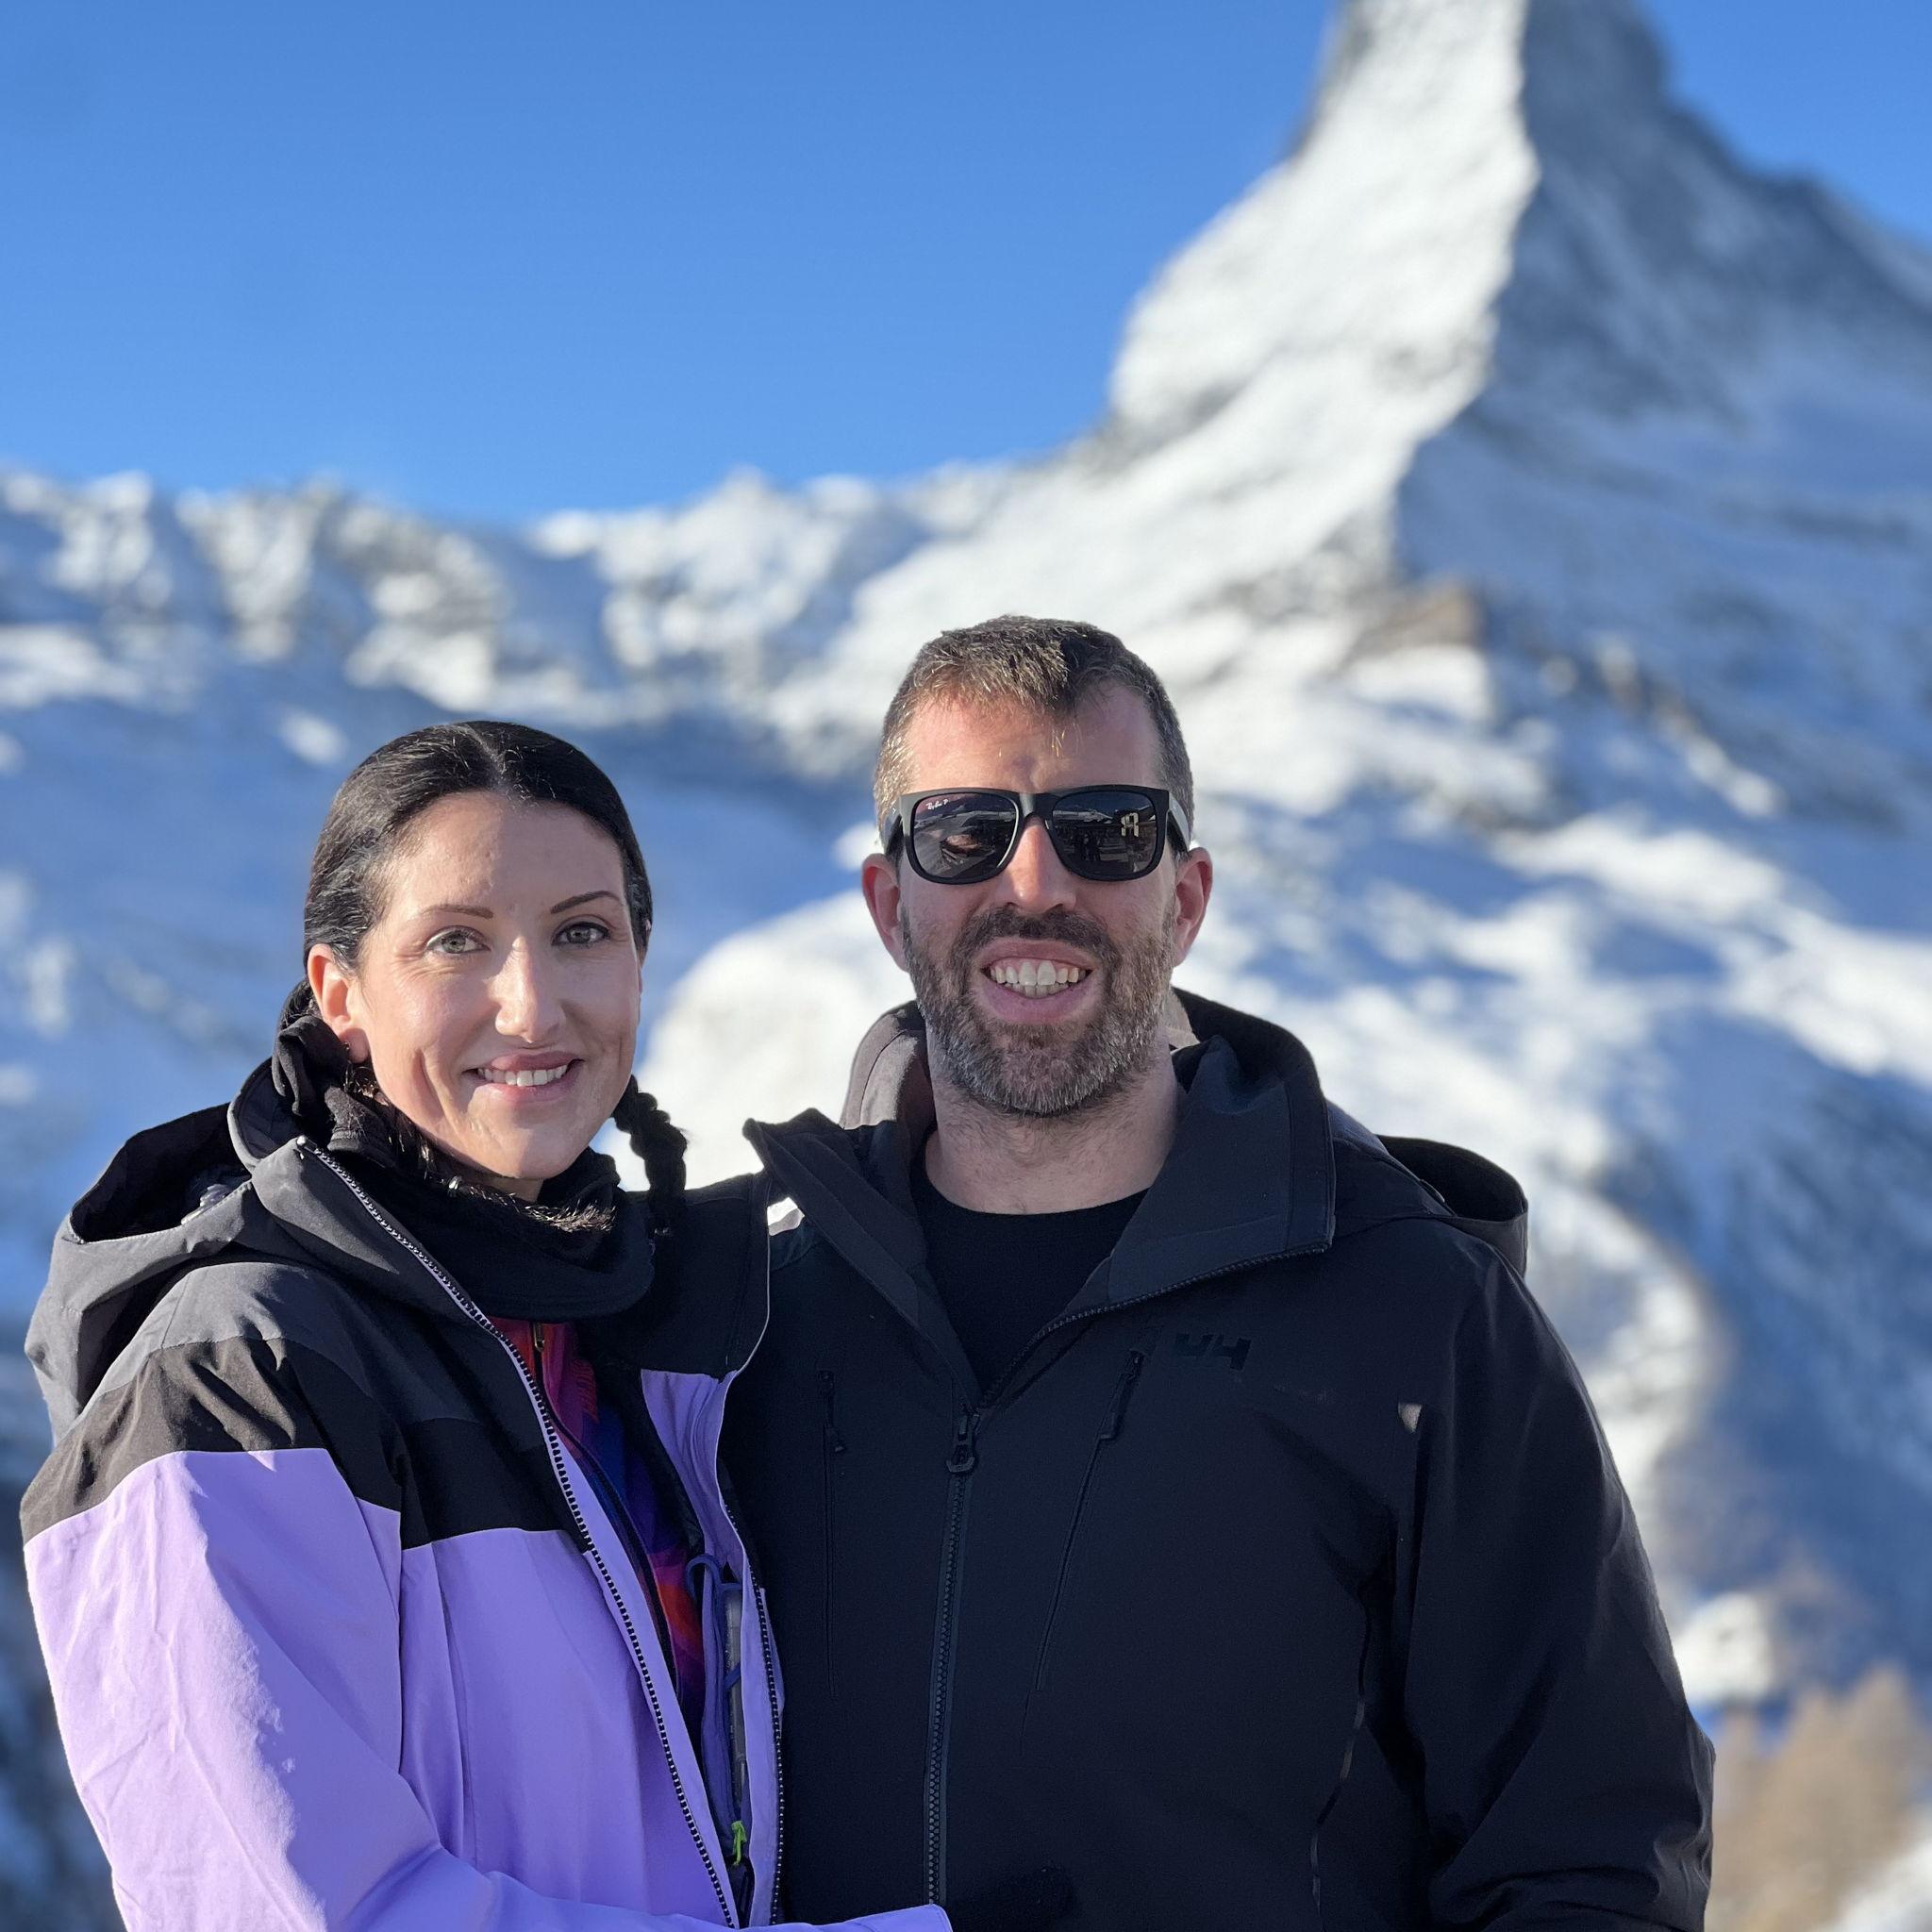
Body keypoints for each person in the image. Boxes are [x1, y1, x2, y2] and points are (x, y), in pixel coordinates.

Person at [722, 617, 1716, 1930]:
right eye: (965, 834)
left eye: (1107, 831)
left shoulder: (1414, 1316)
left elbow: (1590, 1848)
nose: (1035, 883)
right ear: (887, 902)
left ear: (1183, 899)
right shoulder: (750, 1333)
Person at [20, 721, 1068, 1932]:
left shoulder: (632, 1340)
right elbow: (305, 1911)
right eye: (455, 941)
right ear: (340, 993)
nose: (531, 1004)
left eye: (581, 932)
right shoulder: (242, 1369)